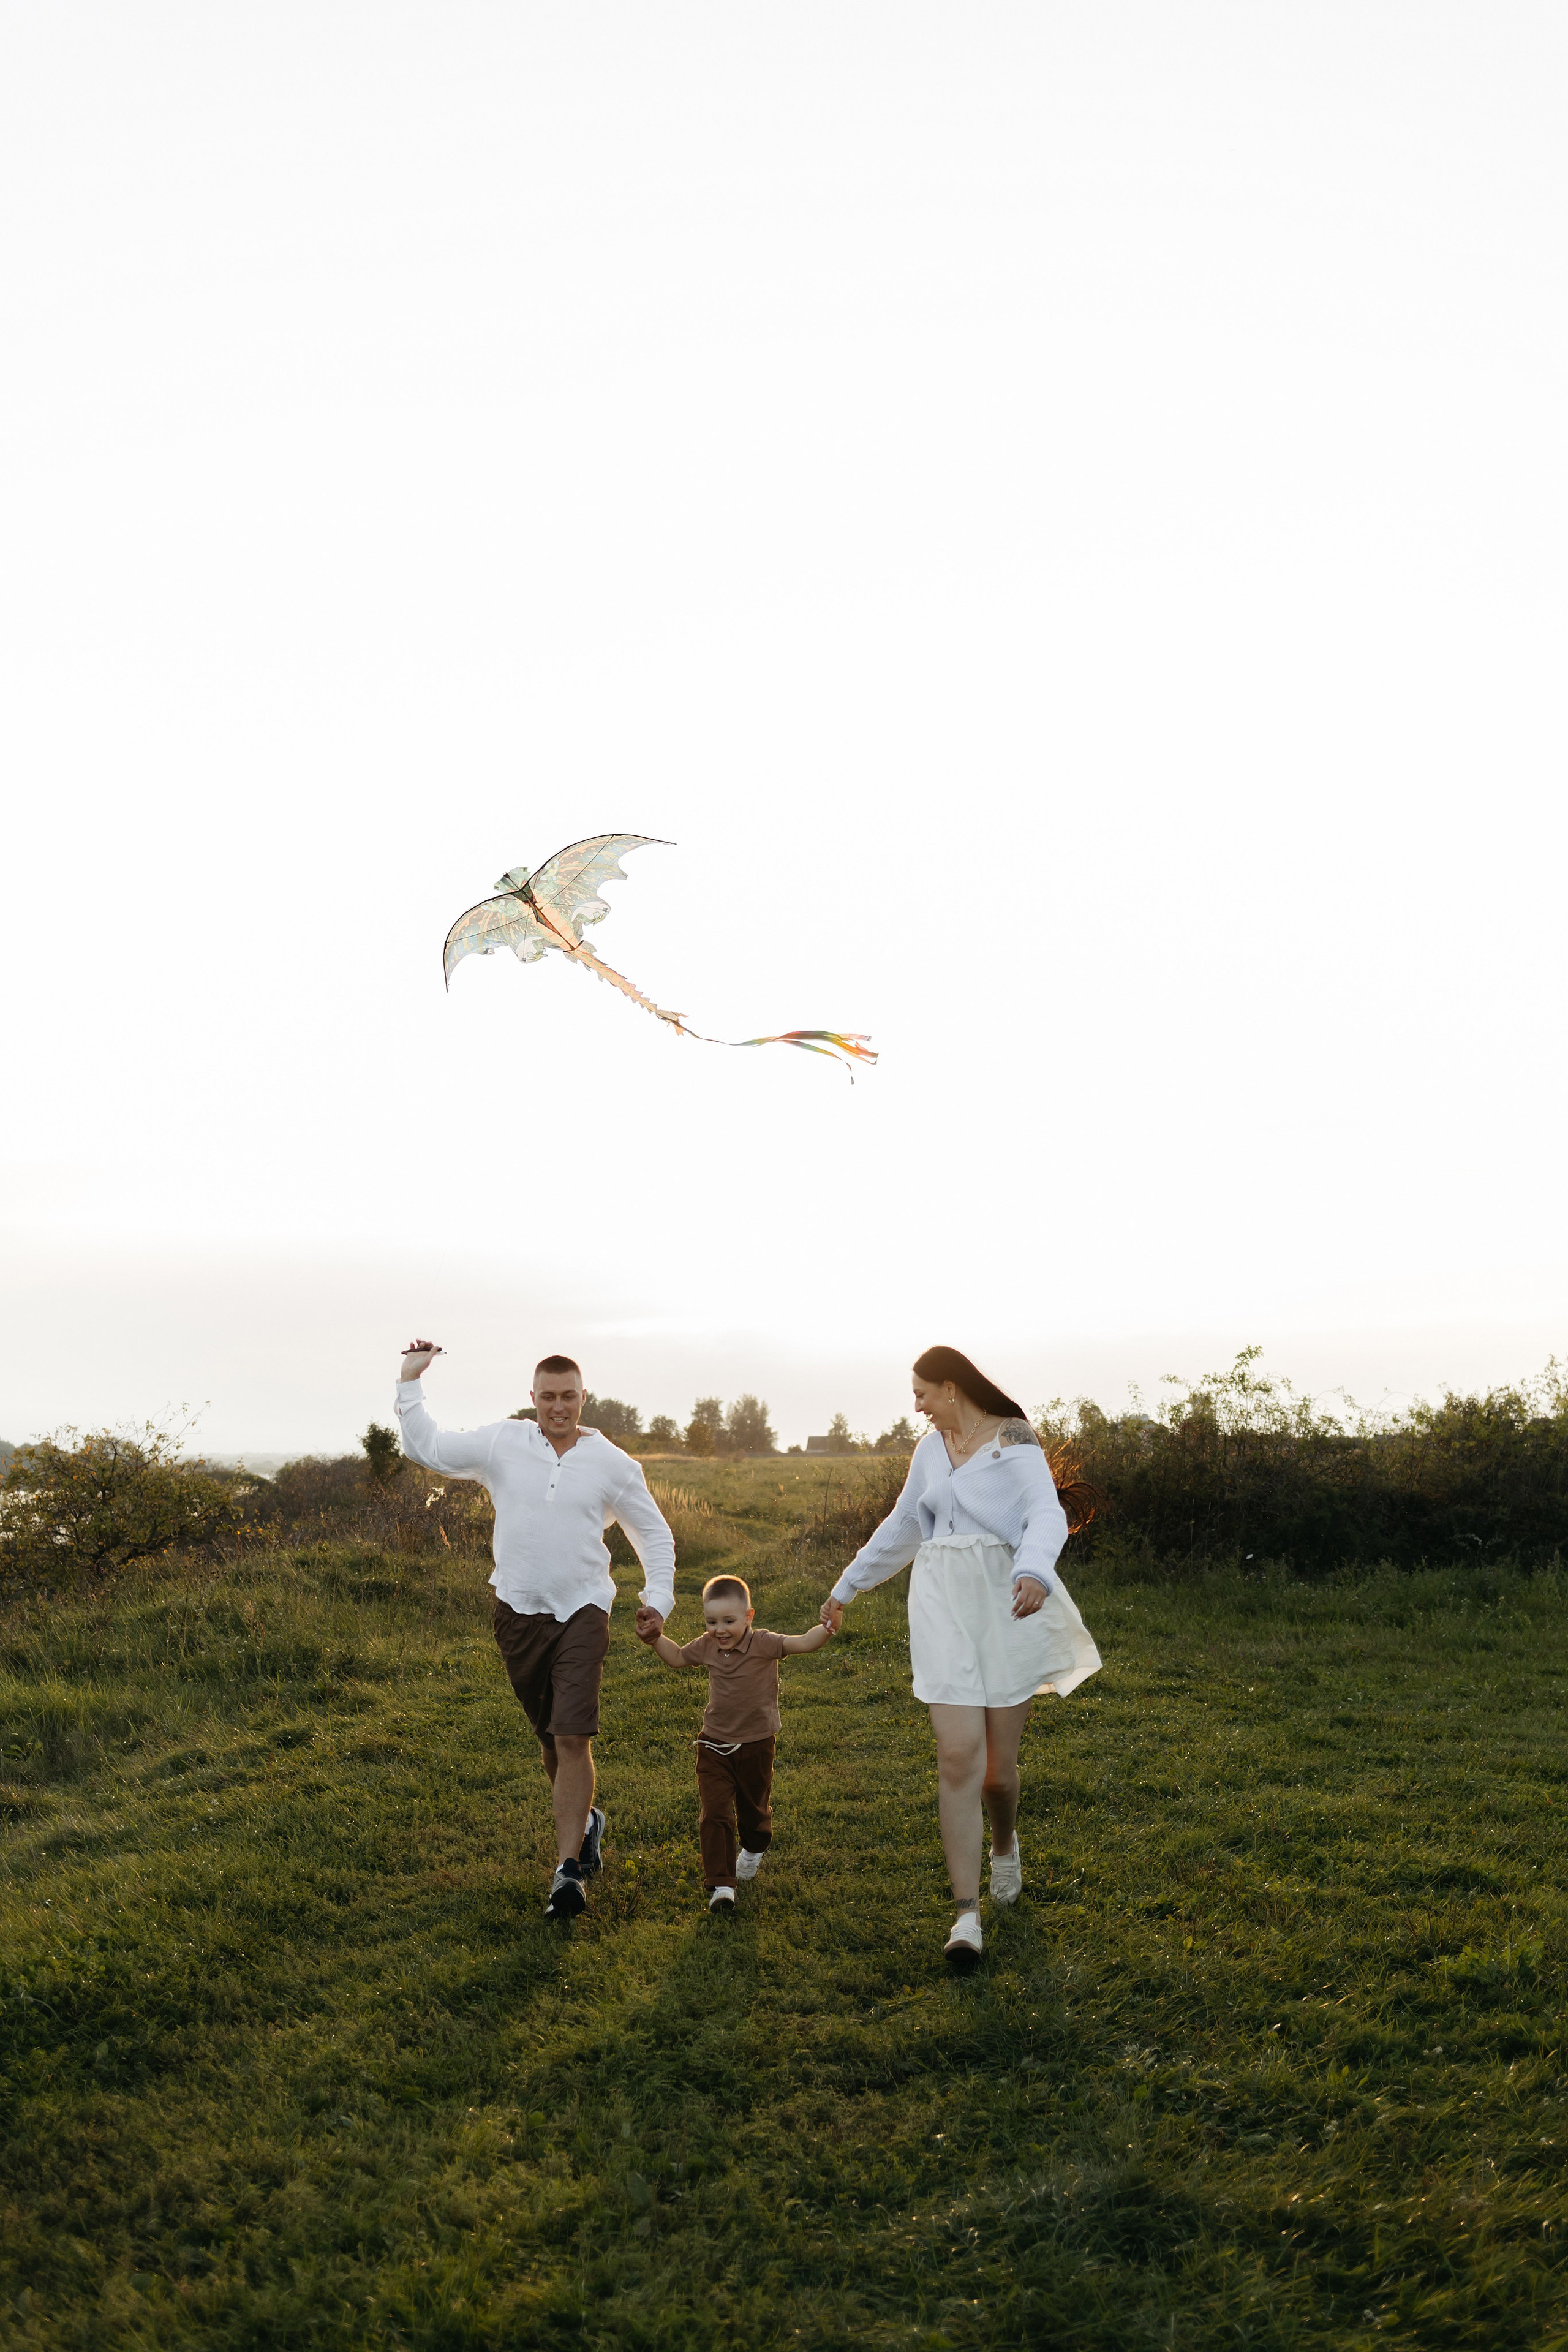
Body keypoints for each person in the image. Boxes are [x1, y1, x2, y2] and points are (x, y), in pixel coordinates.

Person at [818, 1345, 1101, 1969]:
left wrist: (1033, 1570)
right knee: (956, 1757)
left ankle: (1004, 1843)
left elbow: (1044, 1514)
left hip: (1004, 1604)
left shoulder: (1012, 1437)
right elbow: (903, 1525)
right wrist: (847, 1584)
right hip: (940, 1601)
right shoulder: (928, 1451)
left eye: (920, 1392)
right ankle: (966, 1914)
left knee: (998, 1773)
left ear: (950, 1388)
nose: (915, 1405)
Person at [394, 1340, 675, 1921]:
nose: (558, 1407)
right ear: (533, 1399)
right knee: (550, 1741)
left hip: (583, 1610)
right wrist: (410, 1380)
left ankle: (567, 1874)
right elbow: (430, 1447)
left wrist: (659, 1599)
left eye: (568, 1396)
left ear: (583, 1398)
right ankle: (589, 1822)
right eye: (548, 1397)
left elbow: (655, 1535)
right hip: (517, 1611)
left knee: (573, 1738)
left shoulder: (615, 1466)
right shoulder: (504, 1442)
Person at [639, 1572, 833, 1910]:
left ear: (748, 1617)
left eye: (729, 1621)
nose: (720, 1630)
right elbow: (677, 1658)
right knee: (715, 1812)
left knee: (753, 1812)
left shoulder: (764, 1643)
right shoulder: (707, 1645)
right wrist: (656, 1637)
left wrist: (829, 1626)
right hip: (714, 1744)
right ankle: (722, 1885)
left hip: (757, 1745)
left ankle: (754, 1848)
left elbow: (804, 1642)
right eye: (711, 1621)